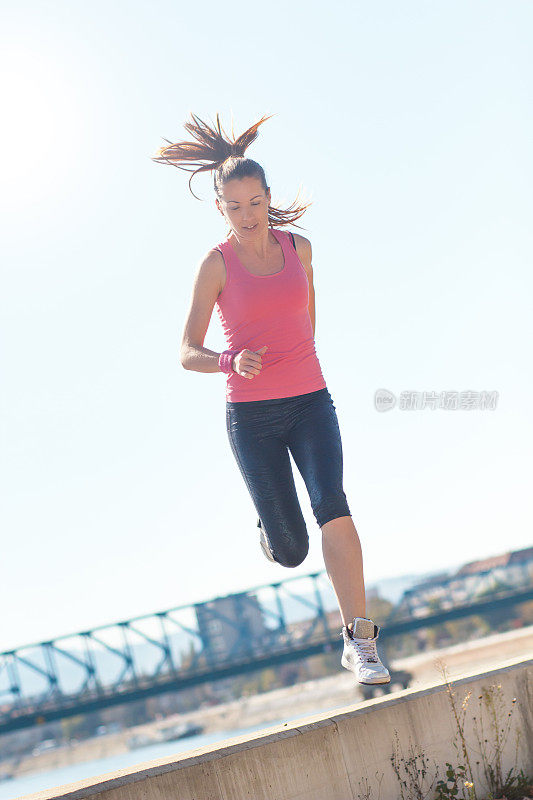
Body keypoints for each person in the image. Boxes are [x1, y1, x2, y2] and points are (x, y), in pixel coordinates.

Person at [152, 112, 390, 686]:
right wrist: (231, 359)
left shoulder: (300, 251)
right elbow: (186, 350)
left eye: (254, 203)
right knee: (290, 550)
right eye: (234, 207)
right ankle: (271, 531)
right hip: (251, 417)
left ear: (266, 198)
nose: (247, 216)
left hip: (311, 401)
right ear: (220, 210)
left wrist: (294, 362)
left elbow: (308, 323)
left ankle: (360, 642)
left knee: (333, 504)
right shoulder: (215, 265)